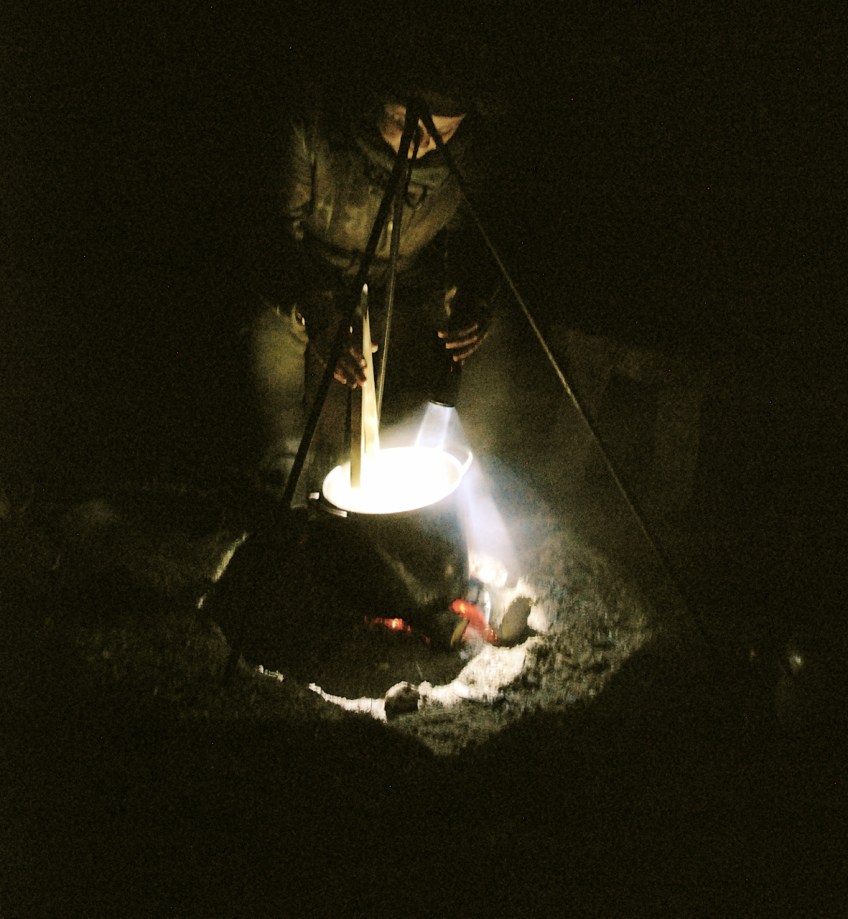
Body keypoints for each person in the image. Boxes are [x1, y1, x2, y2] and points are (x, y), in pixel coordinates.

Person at [244, 78, 495, 497]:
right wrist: (316, 310)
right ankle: (286, 475)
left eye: (444, 132)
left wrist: (475, 300)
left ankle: (426, 482)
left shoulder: (465, 160)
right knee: (273, 342)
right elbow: (272, 237)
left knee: (447, 363)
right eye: (404, 123)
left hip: (401, 283)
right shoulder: (315, 132)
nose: (422, 144)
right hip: (311, 277)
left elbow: (472, 244)